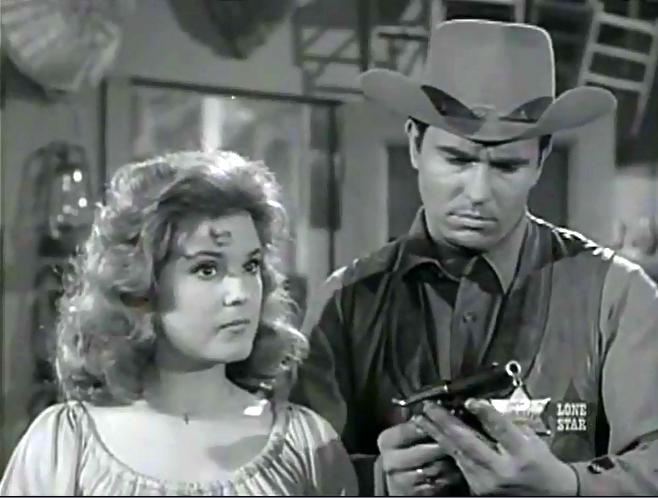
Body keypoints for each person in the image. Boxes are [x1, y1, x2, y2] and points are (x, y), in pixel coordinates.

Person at [291, 19, 658, 496]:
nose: (479, 193)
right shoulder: (347, 301)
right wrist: (374, 480)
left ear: (541, 161)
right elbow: (294, 470)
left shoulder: (617, 295)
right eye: (458, 160)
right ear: (415, 144)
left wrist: (568, 485)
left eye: (507, 165)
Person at [0, 150, 358, 496]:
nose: (240, 293)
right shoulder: (64, 447)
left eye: (250, 266)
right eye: (207, 269)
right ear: (141, 284)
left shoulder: (308, 449)